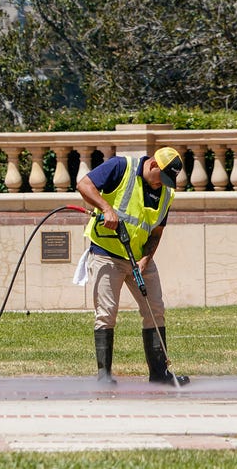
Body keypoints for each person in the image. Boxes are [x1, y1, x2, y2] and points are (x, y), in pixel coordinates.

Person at [76, 147, 190, 387]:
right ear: (153, 166)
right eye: (162, 177)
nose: (163, 184)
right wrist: (107, 208)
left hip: (139, 258)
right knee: (106, 314)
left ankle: (159, 375)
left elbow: (157, 232)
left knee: (155, 310)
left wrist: (146, 259)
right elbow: (84, 185)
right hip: (107, 255)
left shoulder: (167, 194)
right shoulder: (121, 167)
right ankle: (104, 377)